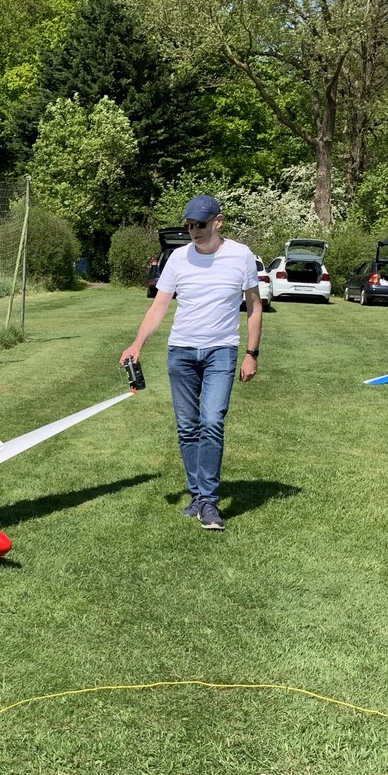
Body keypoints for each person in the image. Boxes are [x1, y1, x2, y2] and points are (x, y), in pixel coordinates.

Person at [119, 194, 262, 531]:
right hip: (181, 352)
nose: (194, 230)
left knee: (211, 421)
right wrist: (137, 344)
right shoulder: (178, 258)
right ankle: (198, 495)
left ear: (218, 221)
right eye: (189, 225)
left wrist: (251, 354)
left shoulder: (241, 255)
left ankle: (208, 500)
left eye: (200, 224)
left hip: (221, 351)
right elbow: (159, 306)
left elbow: (254, 307)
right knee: (187, 426)